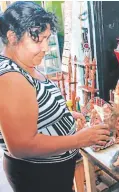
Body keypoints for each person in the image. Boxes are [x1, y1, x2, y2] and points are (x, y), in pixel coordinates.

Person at [0, 2, 110, 192]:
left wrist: (62, 114)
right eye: (38, 40)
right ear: (12, 37)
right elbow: (21, 145)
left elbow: (33, 108)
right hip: (38, 176)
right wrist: (79, 140)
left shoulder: (25, 64)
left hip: (51, 171)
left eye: (47, 39)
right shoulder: (11, 77)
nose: (45, 48)